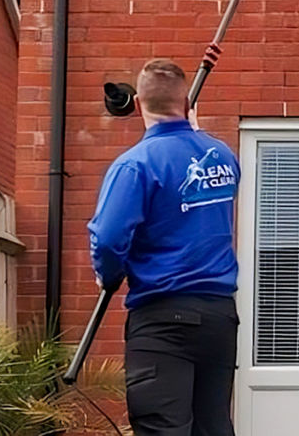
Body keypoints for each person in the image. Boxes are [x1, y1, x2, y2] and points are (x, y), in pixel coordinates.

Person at [89, 58, 240, 436]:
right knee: (213, 427)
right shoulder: (223, 157)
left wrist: (109, 274)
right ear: (187, 101)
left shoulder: (135, 165)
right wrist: (195, 134)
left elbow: (108, 239)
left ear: (138, 104)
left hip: (163, 318)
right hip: (219, 319)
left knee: (163, 429)